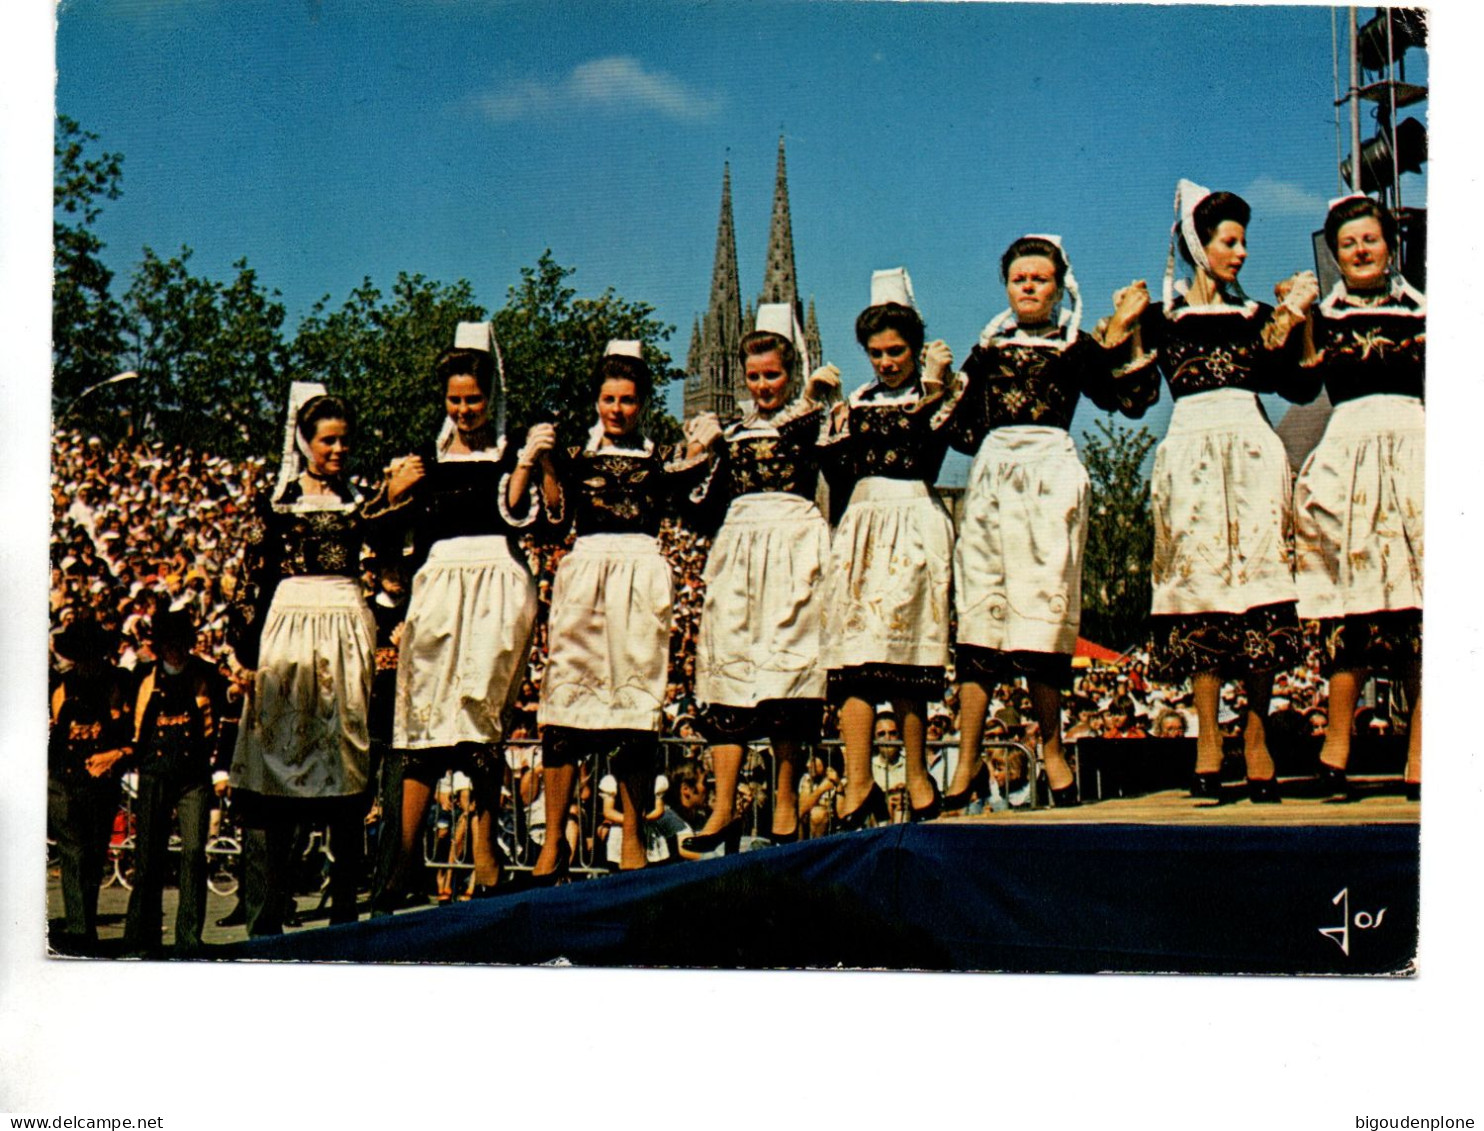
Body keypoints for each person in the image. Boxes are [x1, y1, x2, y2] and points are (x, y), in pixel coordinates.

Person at [1106, 180, 1320, 803]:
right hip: (1191, 452)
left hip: (1251, 449)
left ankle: (1255, 736)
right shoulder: (1165, 318)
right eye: (1230, 241)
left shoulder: (1257, 318)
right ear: (1200, 247)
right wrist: (1124, 330)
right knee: (1200, 589)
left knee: (1256, 588)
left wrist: (1299, 320)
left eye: (1243, 240)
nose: (1243, 253)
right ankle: (1206, 736)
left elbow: (1300, 390)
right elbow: (1134, 398)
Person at [943, 234, 1158, 810]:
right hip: (994, 474)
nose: (1030, 286)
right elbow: (959, 427)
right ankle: (965, 758)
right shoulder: (987, 348)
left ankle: (1053, 749)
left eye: (1041, 278)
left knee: (1043, 612)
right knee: (981, 612)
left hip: (1050, 472)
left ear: (1060, 285)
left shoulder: (1074, 345)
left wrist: (1129, 330)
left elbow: (1127, 401)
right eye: (1019, 278)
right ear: (1006, 286)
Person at [375, 323, 557, 907]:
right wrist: (392, 493)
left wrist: (535, 463)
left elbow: (532, 520)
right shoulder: (425, 457)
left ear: (491, 395)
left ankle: (485, 848)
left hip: (496, 582)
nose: (463, 410)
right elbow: (386, 533)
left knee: (479, 718)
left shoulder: (507, 454)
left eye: (473, 399)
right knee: (424, 722)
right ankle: (404, 862)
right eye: (454, 401)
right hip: (438, 584)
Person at [228, 385, 419, 935]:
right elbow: (252, 579)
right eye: (326, 440)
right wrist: (246, 649)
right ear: (304, 441)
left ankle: (343, 919)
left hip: (344, 629)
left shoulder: (361, 504)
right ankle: (268, 917)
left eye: (343, 440)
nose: (337, 450)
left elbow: (389, 566)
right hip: (289, 630)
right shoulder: (277, 504)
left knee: (345, 766)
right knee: (277, 767)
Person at [530, 342, 713, 878]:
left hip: (640, 570)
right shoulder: (576, 458)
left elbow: (694, 505)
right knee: (565, 704)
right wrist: (543, 462)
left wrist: (704, 450)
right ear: (596, 403)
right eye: (608, 399)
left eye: (628, 400)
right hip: (587, 569)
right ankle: (554, 838)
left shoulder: (659, 460)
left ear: (644, 403)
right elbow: (554, 522)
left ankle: (633, 836)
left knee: (634, 712)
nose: (617, 409)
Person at [816, 268, 967, 827]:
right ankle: (858, 783)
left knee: (906, 656)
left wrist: (934, 389)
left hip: (912, 515)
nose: (885, 363)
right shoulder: (854, 404)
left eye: (895, 351)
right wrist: (829, 410)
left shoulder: (940, 395)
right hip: (863, 520)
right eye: (876, 353)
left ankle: (918, 774)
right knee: (856, 658)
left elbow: (929, 454)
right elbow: (837, 471)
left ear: (916, 347)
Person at [680, 305, 832, 850]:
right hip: (740, 548)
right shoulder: (731, 431)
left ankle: (785, 804)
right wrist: (701, 452)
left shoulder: (811, 419)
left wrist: (819, 396)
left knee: (787, 672)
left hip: (793, 543)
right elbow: (696, 506)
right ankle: (723, 809)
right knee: (730, 669)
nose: (763, 385)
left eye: (773, 375)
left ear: (790, 373)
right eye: (754, 376)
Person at [1291, 195, 1425, 800]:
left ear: (1389, 246)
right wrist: (1289, 326)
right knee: (1354, 606)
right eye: (1348, 243)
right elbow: (1295, 383)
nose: (1361, 250)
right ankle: (1336, 750)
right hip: (1347, 449)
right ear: (1335, 254)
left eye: (1370, 239)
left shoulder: (1428, 313)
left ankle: (1422, 755)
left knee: (1426, 603)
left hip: (1415, 446)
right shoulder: (1323, 314)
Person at [122, 610, 216, 955]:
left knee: (194, 853)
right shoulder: (143, 678)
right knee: (148, 856)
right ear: (159, 647)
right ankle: (140, 938)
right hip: (155, 773)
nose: (175, 650)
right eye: (168, 644)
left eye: (180, 643)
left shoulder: (206, 676)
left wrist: (218, 770)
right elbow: (133, 729)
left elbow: (218, 722)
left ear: (189, 644)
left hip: (194, 776)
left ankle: (189, 938)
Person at [47, 616, 131, 952]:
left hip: (102, 779)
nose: (88, 660)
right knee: (73, 852)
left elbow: (125, 730)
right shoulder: (61, 685)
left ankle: (86, 926)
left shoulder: (117, 682)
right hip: (65, 778)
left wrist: (114, 756)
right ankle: (80, 928)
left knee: (94, 853)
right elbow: (53, 736)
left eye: (93, 653)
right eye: (83, 654)